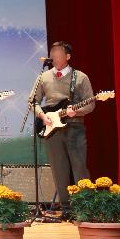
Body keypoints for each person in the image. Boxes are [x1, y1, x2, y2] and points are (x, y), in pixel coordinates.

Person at [31, 41, 94, 219]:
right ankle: (66, 208)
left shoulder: (80, 77)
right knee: (59, 169)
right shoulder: (43, 77)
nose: (55, 55)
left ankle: (84, 207)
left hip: (75, 126)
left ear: (67, 56)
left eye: (59, 52)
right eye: (53, 52)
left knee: (79, 167)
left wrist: (77, 111)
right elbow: (33, 102)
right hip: (52, 126)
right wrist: (42, 116)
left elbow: (91, 104)